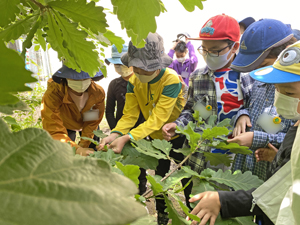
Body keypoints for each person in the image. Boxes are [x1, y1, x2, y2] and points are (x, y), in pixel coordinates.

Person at [187, 41, 300, 225]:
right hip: (252, 173)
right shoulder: (261, 88)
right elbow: (246, 105)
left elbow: (278, 192)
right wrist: (243, 113)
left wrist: (223, 201)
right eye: (278, 90)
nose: (278, 95)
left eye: (287, 91)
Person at [98, 33, 187, 225]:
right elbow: (129, 115)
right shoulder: (134, 81)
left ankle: (193, 213)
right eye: (135, 67)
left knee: (186, 177)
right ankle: (163, 214)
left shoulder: (171, 80)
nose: (138, 71)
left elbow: (158, 119)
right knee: (160, 177)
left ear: (156, 65)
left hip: (179, 136)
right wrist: (115, 133)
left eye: (143, 68)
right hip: (155, 139)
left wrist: (128, 137)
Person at [163, 14, 251, 174]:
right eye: (204, 49)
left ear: (235, 47)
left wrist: (244, 114)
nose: (208, 54)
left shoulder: (248, 77)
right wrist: (178, 125)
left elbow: (258, 110)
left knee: (230, 196)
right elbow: (190, 110)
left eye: (215, 51)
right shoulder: (197, 77)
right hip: (202, 154)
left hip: (236, 157)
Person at [228, 19, 297, 181]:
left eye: (264, 64)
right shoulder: (259, 81)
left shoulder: (294, 94)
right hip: (247, 167)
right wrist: (243, 115)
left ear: (286, 54)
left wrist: (256, 138)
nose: (258, 72)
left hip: (274, 176)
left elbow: (294, 138)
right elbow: (247, 105)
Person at [105, 44, 146, 195]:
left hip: (141, 133)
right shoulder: (114, 84)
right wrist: (116, 132)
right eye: (116, 64)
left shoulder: (143, 81)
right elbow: (109, 111)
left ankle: (141, 195)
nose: (120, 67)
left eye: (123, 63)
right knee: (122, 167)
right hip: (120, 131)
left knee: (140, 168)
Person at [41, 65, 105, 156]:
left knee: (91, 150)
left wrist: (83, 145)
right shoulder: (54, 93)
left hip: (86, 124)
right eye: (76, 79)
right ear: (65, 77)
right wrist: (76, 149)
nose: (81, 82)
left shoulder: (97, 93)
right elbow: (53, 127)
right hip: (65, 125)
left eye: (85, 78)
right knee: (64, 151)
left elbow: (92, 121)